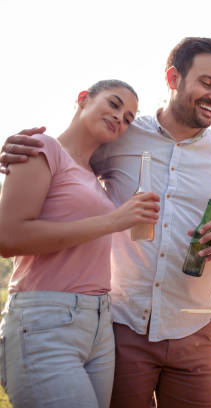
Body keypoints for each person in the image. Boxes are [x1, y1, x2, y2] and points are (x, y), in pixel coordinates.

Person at [0, 37, 211, 408]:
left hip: (193, 327)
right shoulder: (123, 132)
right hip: (120, 326)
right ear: (173, 78)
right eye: (206, 83)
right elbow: (68, 157)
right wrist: (22, 149)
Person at [0, 80, 160, 407]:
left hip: (99, 323)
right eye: (114, 104)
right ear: (83, 99)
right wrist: (115, 221)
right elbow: (8, 237)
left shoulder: (91, 176)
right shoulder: (42, 147)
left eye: (129, 117)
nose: (120, 118)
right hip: (46, 319)